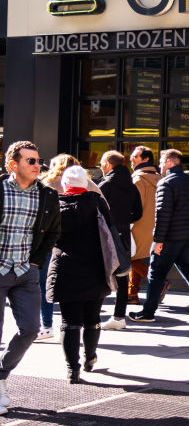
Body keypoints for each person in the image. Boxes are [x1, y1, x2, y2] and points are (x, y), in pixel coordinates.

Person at [0, 141, 60, 411]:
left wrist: (36, 262)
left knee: (31, 329)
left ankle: (1, 375)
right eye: (31, 161)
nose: (38, 165)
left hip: (26, 272)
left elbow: (53, 232)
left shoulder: (47, 195)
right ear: (13, 164)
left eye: (39, 161)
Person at [47, 166, 116, 383]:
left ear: (65, 184)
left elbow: (47, 236)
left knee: (69, 321)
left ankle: (72, 369)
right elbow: (110, 230)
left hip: (66, 268)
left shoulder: (55, 206)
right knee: (92, 318)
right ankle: (90, 358)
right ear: (85, 184)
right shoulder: (97, 203)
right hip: (96, 268)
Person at [129, 149, 189, 323]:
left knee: (155, 273)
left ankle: (148, 312)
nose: (159, 165)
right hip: (188, 235)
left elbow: (162, 213)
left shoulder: (166, 182)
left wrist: (158, 240)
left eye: (161, 162)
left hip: (169, 237)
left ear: (169, 162)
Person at [37, 154, 99, 342]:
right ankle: (73, 327)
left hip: (50, 241)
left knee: (46, 284)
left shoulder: (46, 183)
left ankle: (47, 326)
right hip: (84, 245)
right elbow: (103, 207)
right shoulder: (89, 184)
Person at [97, 151, 142, 331]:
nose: (100, 166)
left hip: (105, 233)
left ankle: (93, 315)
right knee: (122, 275)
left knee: (99, 273)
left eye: (101, 162)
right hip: (123, 232)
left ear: (108, 164)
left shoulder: (105, 184)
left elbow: (96, 210)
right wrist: (122, 221)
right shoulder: (131, 185)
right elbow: (138, 213)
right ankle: (119, 316)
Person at [128, 147, 160, 305]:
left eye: (135, 156)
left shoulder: (138, 179)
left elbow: (134, 205)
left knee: (130, 256)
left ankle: (159, 283)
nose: (131, 159)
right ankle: (132, 293)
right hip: (155, 224)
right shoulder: (160, 179)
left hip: (138, 223)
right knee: (137, 256)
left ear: (146, 159)